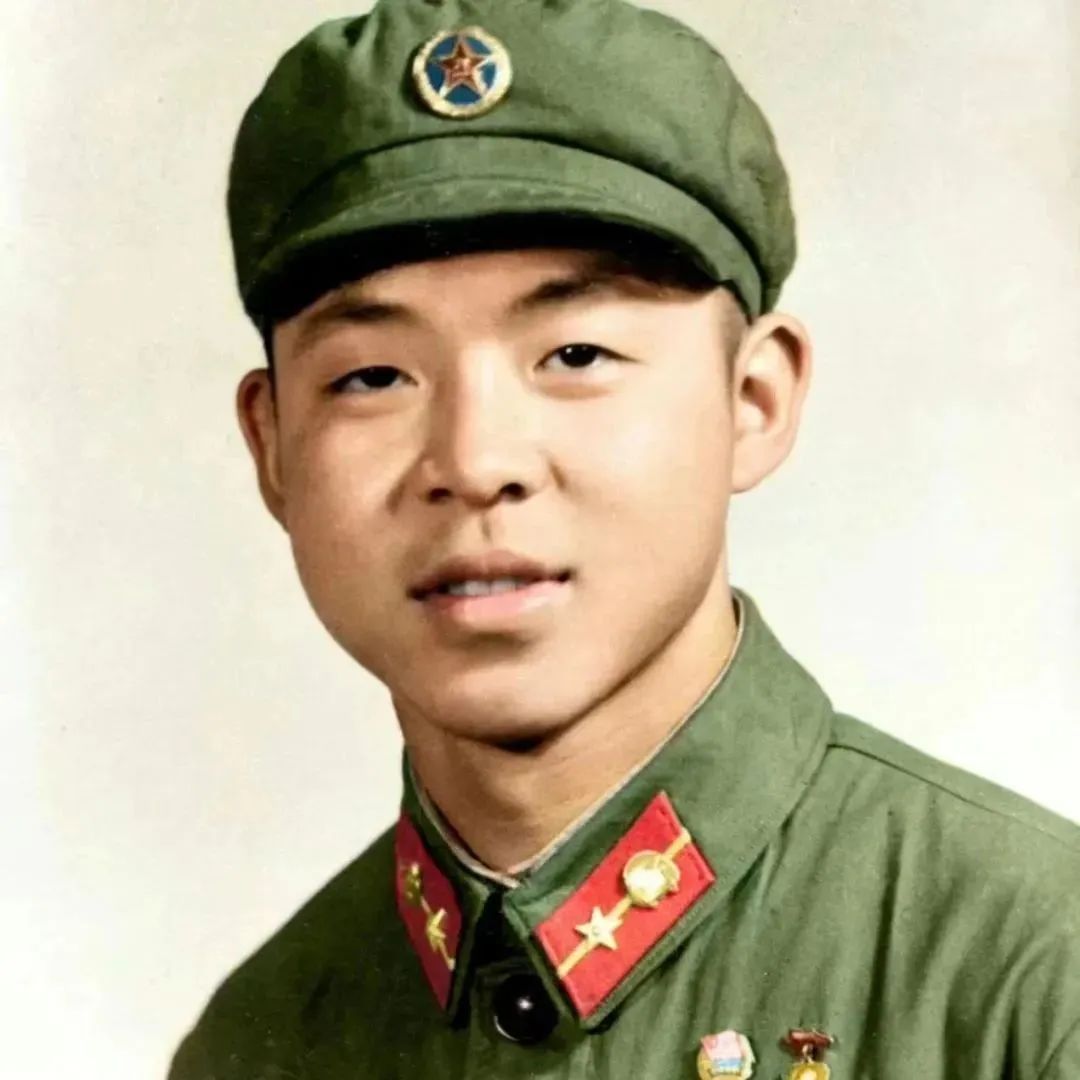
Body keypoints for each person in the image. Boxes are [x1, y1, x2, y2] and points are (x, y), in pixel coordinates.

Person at [170, 0, 1080, 1076]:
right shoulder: (264, 1039)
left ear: (753, 399)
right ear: (273, 447)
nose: (476, 460)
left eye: (577, 355)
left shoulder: (1032, 976)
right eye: (374, 376)